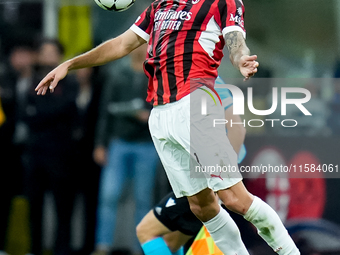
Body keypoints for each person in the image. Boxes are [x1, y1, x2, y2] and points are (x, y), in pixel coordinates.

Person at [35, 0, 300, 254]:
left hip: (195, 104)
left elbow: (236, 41)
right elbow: (121, 44)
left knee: (234, 199)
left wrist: (241, 58)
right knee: (202, 206)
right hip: (160, 114)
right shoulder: (159, 6)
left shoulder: (223, 2)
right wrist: (70, 64)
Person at [136, 76, 247, 255]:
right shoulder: (183, 79)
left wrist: (221, 181)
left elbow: (237, 129)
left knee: (146, 231)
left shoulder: (205, 79)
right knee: (171, 242)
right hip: (198, 180)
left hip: (206, 183)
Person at [91, 44, 159, 255]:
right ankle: (103, 245)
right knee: (109, 196)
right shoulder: (118, 74)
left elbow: (166, 106)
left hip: (147, 143)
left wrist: (151, 116)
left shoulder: (156, 75)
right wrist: (100, 143)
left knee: (143, 198)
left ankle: (140, 247)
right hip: (119, 142)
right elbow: (105, 110)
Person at [23, 38, 78, 255]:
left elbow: (67, 110)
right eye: (43, 52)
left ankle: (61, 251)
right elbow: (26, 115)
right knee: (34, 207)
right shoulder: (30, 81)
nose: (47, 56)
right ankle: (34, 250)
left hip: (62, 155)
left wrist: (41, 113)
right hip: (35, 153)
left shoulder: (70, 83)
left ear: (59, 56)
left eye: (51, 52)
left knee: (63, 208)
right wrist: (51, 114)